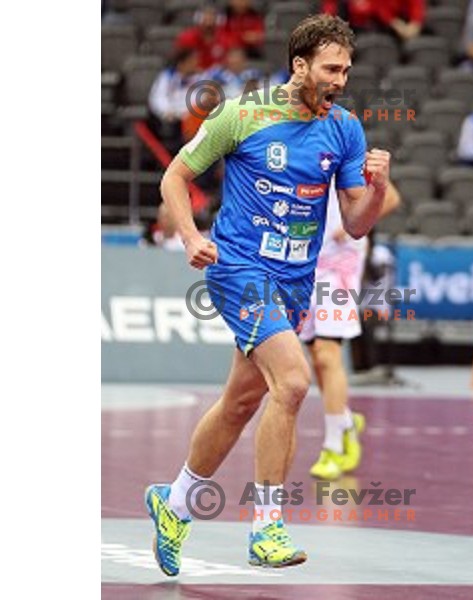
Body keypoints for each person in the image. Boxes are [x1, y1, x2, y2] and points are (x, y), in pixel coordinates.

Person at [145, 14, 391, 574]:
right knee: (296, 380)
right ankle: (268, 527)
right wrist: (189, 235)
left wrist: (375, 189)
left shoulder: (345, 129)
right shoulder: (242, 114)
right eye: (331, 68)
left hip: (295, 280)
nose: (340, 79)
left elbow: (355, 224)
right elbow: (174, 177)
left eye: (347, 70)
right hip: (238, 268)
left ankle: (175, 500)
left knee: (240, 401)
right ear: (299, 65)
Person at [300, 180, 401, 481]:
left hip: (340, 262)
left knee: (328, 353)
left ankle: (333, 447)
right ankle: (344, 420)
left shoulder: (347, 150)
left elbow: (391, 197)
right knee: (316, 354)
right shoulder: (301, 147)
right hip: (306, 259)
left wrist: (353, 224)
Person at [148, 47, 202, 147]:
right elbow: (158, 97)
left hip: (191, 117)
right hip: (173, 117)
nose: (195, 63)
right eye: (192, 61)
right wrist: (167, 111)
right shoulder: (167, 77)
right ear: (182, 63)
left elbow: (201, 98)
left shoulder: (201, 77)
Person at [176, 3, 236, 70]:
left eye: (212, 17)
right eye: (205, 18)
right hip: (193, 75)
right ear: (198, 19)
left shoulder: (227, 39)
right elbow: (180, 61)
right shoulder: (186, 37)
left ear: (219, 20)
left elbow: (231, 62)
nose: (208, 22)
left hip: (218, 76)